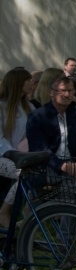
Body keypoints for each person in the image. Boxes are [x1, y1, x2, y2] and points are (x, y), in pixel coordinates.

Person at [26, 76, 76, 174]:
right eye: (62, 91)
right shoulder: (37, 116)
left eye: (70, 91)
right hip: (47, 167)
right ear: (51, 92)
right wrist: (62, 166)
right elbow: (39, 149)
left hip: (74, 165)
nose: (67, 95)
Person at [0, 69, 35, 227]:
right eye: (27, 80)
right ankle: (4, 212)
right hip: (4, 155)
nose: (31, 83)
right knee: (25, 174)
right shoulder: (2, 106)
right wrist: (14, 154)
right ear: (17, 83)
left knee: (35, 174)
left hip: (21, 155)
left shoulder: (29, 107)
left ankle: (26, 214)